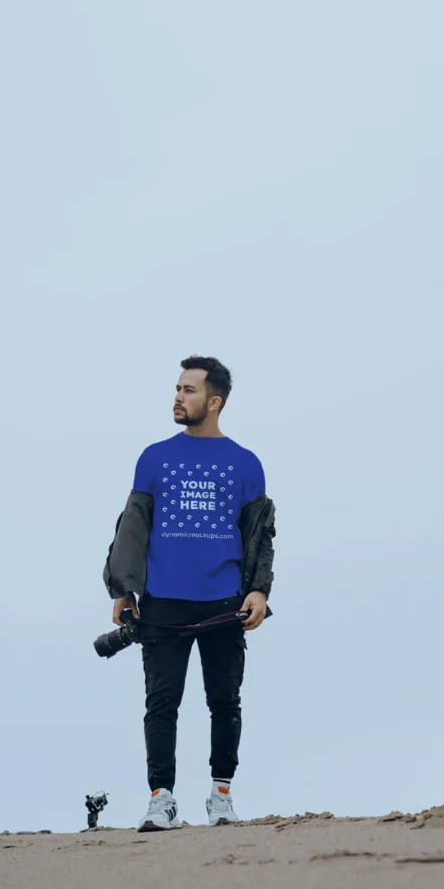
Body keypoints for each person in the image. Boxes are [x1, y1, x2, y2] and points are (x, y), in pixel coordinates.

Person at [103, 356, 276, 832]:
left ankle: (221, 797)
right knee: (161, 704)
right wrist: (124, 590)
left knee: (225, 701)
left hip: (224, 604)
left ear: (214, 401)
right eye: (177, 388)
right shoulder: (154, 457)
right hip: (162, 602)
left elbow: (259, 535)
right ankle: (162, 800)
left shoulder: (245, 463)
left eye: (189, 390)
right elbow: (133, 529)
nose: (178, 397)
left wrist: (259, 590)